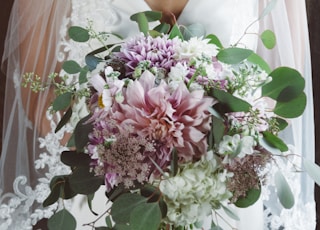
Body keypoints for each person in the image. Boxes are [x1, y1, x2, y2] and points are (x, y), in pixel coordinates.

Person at [0, 0, 315, 229]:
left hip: (218, 200)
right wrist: (133, 165)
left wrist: (202, 168)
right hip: (108, 199)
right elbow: (40, 98)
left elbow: (277, 90)